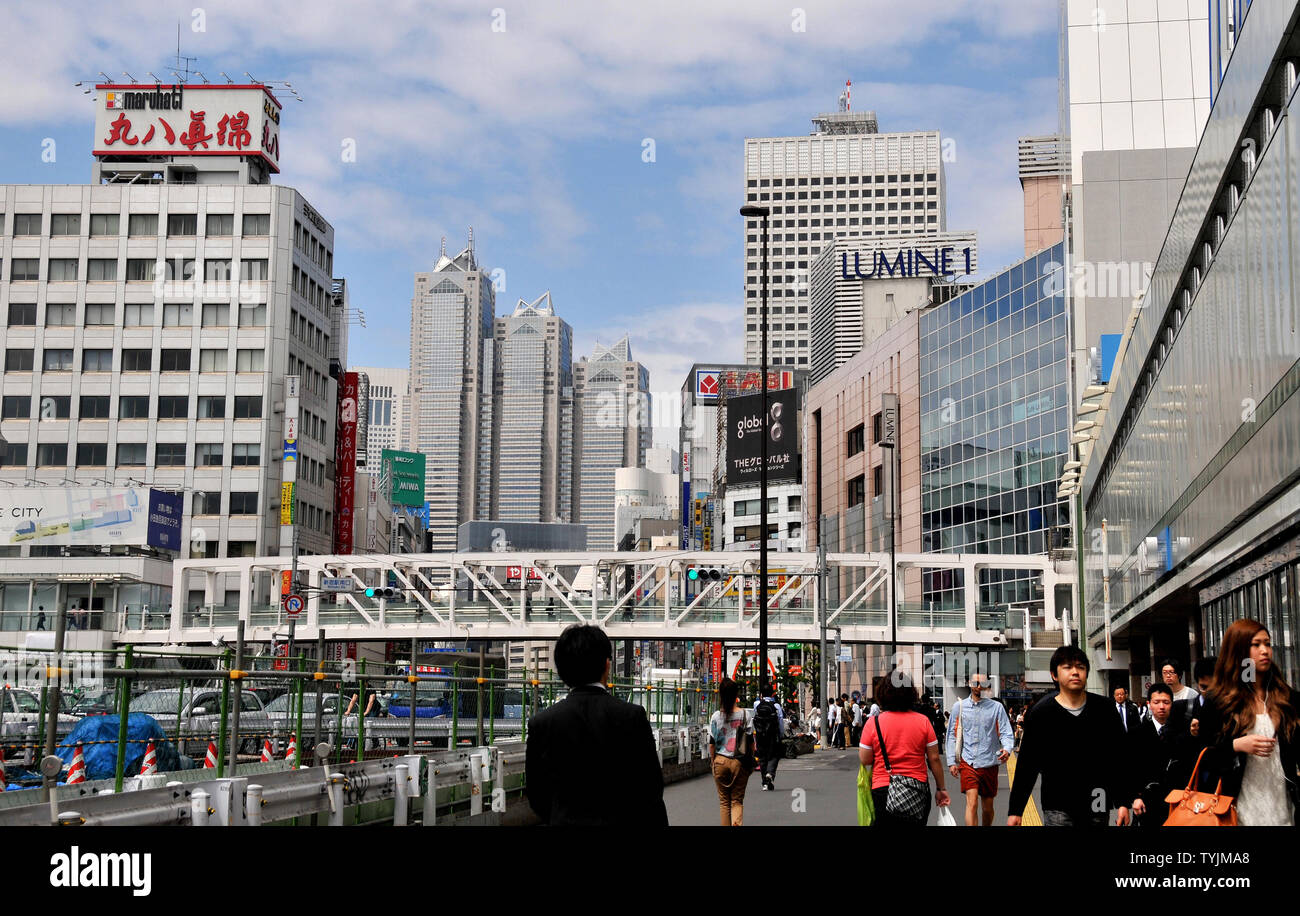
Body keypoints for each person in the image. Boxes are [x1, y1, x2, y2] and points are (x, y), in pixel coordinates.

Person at [525, 624, 668, 826]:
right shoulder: (631, 716)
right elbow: (651, 789)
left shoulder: (542, 723)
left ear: (561, 669)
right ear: (607, 665)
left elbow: (536, 795)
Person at [1007, 645, 1133, 827]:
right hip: (1057, 803)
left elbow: (1118, 757)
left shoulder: (1104, 708)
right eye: (1067, 667)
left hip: (1097, 800)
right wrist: (1016, 810)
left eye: (1081, 667)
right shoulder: (1042, 712)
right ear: (1054, 675)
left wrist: (1123, 802)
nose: (1075, 672)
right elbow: (1028, 763)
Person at [1195, 619, 1299, 826]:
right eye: (1256, 644)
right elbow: (1203, 755)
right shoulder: (1220, 701)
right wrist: (1235, 745)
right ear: (1239, 650)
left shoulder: (1286, 697)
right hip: (1239, 807)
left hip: (1284, 805)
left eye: (1267, 644)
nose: (1264, 651)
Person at [858, 669, 950, 827]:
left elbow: (865, 759)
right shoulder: (923, 722)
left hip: (883, 788)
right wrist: (941, 788)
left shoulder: (874, 723)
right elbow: (934, 758)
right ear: (911, 693)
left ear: (883, 694)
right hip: (917, 789)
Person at [946, 672, 1014, 826]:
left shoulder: (996, 707)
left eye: (982, 683)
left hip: (990, 761)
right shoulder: (959, 707)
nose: (978, 686)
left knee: (987, 807)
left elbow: (1005, 732)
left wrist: (1007, 749)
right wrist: (951, 761)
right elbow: (951, 735)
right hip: (968, 762)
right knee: (972, 803)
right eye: (976, 683)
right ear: (969, 683)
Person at [1130, 683, 1191, 828]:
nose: (1161, 707)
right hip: (1147, 801)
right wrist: (1135, 798)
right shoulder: (1136, 733)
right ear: (1149, 704)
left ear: (1172, 704)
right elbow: (1130, 768)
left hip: (1178, 801)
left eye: (1166, 702)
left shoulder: (1183, 732)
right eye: (1156, 702)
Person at [709, 677, 752, 825]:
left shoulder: (715, 716)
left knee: (724, 802)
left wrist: (712, 761)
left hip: (720, 760)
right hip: (739, 761)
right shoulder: (745, 714)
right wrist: (751, 761)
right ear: (736, 695)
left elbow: (712, 743)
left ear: (721, 695)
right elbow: (751, 741)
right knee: (736, 801)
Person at [753, 682, 785, 790]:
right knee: (774, 755)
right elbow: (780, 721)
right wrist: (781, 734)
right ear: (772, 694)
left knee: (762, 757)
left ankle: (765, 782)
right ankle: (770, 774)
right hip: (772, 735)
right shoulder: (776, 706)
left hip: (760, 735)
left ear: (761, 694)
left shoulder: (757, 704)